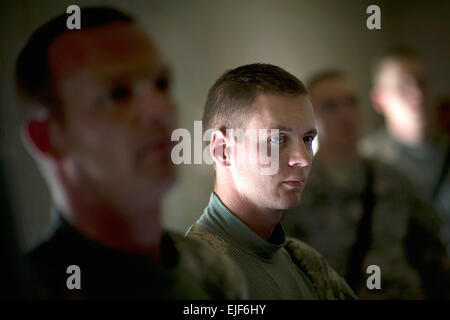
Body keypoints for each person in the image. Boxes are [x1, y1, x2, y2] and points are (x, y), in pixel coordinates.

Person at [14, 7, 246, 299]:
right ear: (45, 137)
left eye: (162, 84)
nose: (160, 111)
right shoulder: (23, 290)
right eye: (118, 93)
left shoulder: (215, 274)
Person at [186, 63, 356, 300]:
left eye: (307, 139)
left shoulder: (305, 262)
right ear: (222, 150)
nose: (303, 159)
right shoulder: (193, 275)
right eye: (278, 139)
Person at [281, 70, 449, 299]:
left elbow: (431, 255)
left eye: (351, 102)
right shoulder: (294, 187)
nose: (345, 114)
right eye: (330, 106)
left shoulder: (392, 180)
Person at [359, 47, 449, 253]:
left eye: (422, 83)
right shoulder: (367, 161)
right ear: (379, 100)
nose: (417, 93)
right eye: (402, 87)